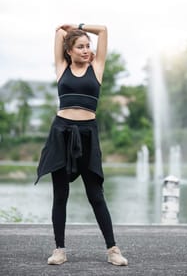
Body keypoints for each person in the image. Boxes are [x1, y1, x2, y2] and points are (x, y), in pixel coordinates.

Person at [35, 23, 128, 266]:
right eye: (81, 46)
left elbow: (105, 30)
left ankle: (113, 250)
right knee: (60, 195)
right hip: (61, 133)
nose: (87, 50)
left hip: (88, 134)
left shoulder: (96, 68)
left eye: (88, 46)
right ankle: (59, 250)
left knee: (96, 194)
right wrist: (64, 31)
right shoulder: (62, 69)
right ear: (70, 51)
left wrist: (79, 26)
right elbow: (57, 33)